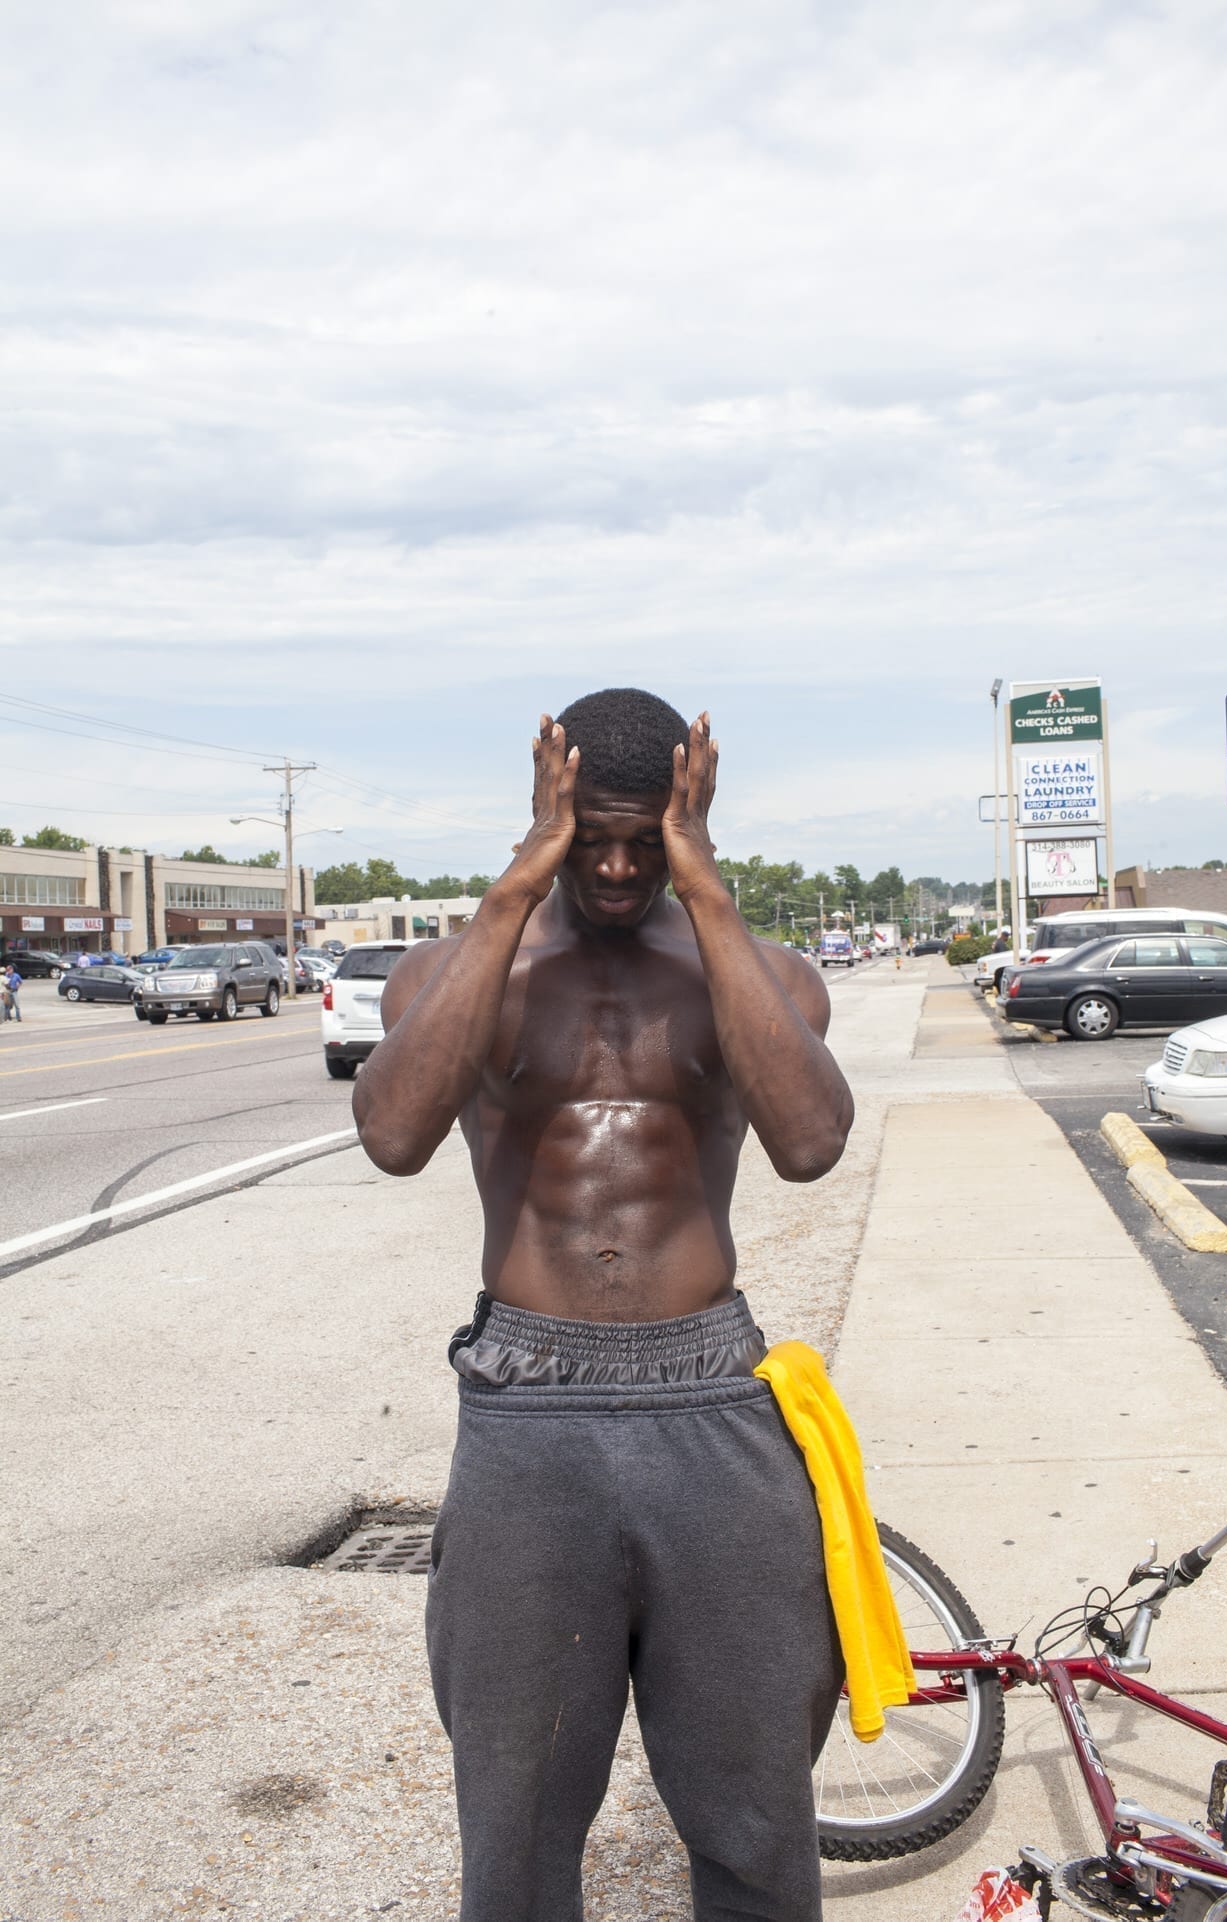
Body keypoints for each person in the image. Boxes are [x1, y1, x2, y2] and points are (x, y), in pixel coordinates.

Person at [355, 689, 859, 1921]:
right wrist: (516, 887)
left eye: (648, 839)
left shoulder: (760, 971)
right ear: (549, 811)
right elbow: (394, 1132)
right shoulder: (461, 968)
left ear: (687, 816)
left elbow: (808, 1140)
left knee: (753, 1809)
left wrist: (712, 890)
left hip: (711, 1397)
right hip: (530, 1405)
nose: (622, 866)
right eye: (593, 839)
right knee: (517, 1822)